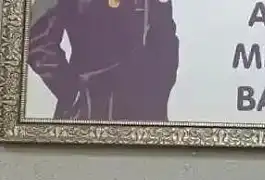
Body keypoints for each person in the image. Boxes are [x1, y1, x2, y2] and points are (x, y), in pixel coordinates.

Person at [26, 0, 179, 121]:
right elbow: (37, 37)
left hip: (149, 111)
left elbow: (165, 36)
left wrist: (160, 88)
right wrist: (72, 93)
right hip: (90, 109)